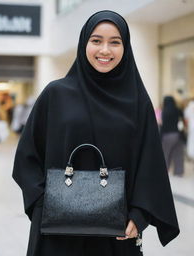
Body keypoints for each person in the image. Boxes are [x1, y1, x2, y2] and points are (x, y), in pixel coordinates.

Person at [12, 10, 179, 256]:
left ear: (126, 47)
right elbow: (27, 155)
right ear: (84, 44)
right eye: (96, 40)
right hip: (58, 233)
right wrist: (41, 204)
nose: (105, 50)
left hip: (117, 231)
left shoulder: (136, 101)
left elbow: (150, 161)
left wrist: (140, 214)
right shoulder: (56, 94)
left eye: (115, 42)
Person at [161, 96, 185, 177]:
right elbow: (182, 120)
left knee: (166, 153)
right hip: (178, 134)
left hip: (168, 134)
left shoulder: (165, 111)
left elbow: (163, 125)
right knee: (178, 154)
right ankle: (179, 172)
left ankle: (164, 171)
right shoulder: (178, 110)